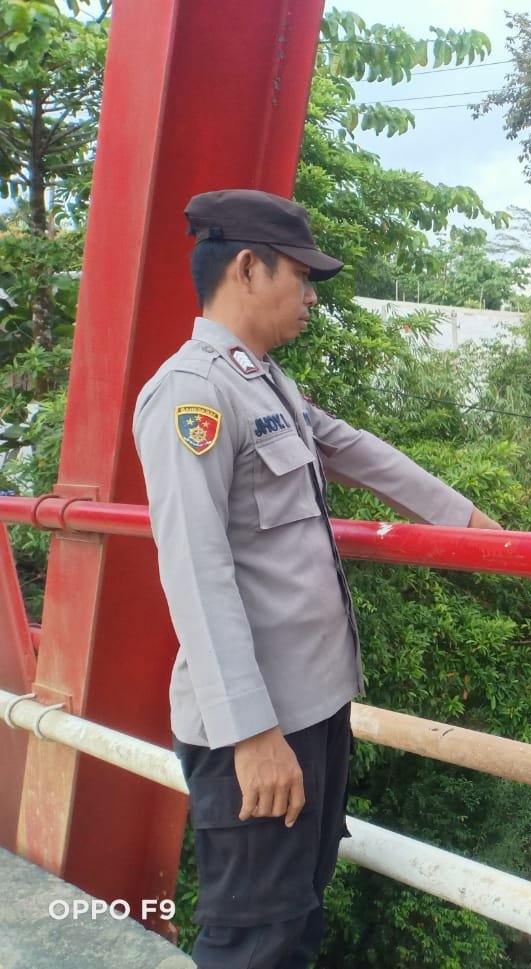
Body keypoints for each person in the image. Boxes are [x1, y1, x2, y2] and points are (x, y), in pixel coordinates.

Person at [132, 188, 501, 969]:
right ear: (247, 267)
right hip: (259, 723)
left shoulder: (265, 383)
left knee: (297, 919)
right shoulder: (193, 393)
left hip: (313, 710)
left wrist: (469, 522)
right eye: (300, 276)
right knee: (252, 939)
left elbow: (357, 449)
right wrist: (252, 734)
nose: (310, 295)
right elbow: (195, 568)